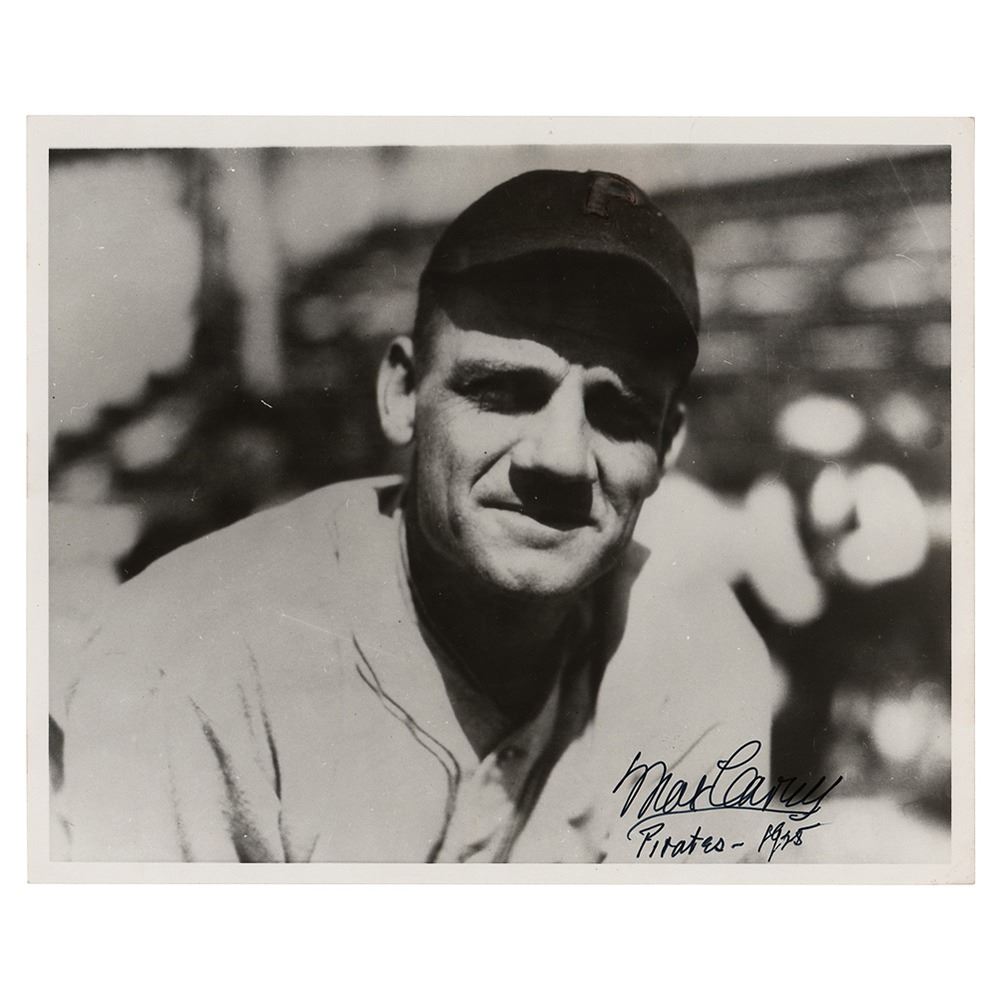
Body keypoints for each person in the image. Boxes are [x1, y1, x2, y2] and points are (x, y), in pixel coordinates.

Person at [59, 169, 780, 863]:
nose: (561, 459)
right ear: (403, 394)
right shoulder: (193, 655)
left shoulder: (694, 654)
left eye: (619, 414)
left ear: (666, 444)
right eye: (503, 391)